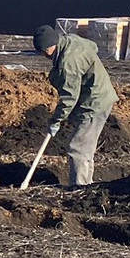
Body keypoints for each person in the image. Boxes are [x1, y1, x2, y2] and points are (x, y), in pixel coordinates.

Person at [33, 23, 117, 187]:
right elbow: (93, 47)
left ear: (50, 46)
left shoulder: (68, 63)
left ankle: (79, 188)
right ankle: (87, 185)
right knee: (85, 149)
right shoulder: (71, 40)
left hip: (94, 103)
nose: (44, 55)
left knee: (78, 148)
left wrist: (56, 120)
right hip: (99, 96)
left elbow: (69, 97)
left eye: (44, 51)